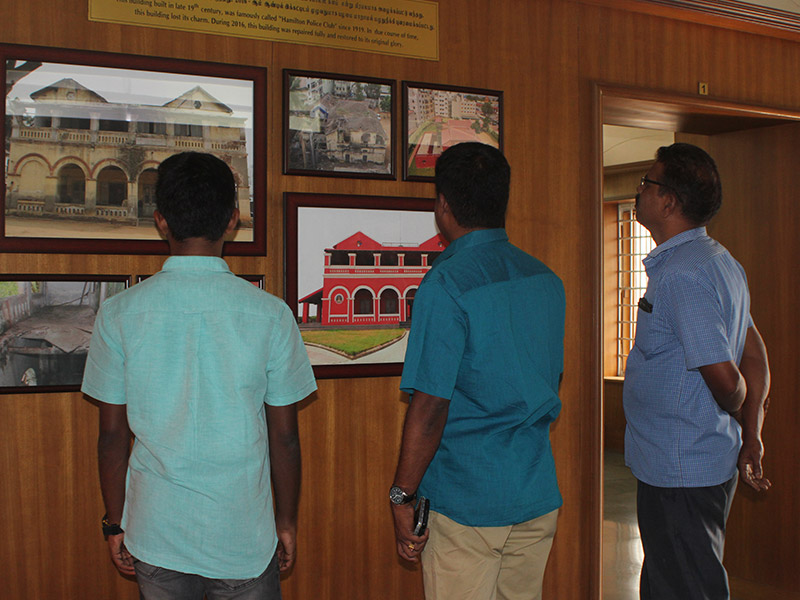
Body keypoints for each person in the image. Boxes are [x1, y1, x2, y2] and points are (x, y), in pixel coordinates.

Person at [82, 151, 317, 599]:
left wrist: (115, 521)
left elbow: (112, 436)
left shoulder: (118, 314)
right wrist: (286, 522)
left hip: (155, 532)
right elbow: (285, 437)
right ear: (232, 220)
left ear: (161, 221)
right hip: (243, 534)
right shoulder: (271, 315)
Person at [390, 142, 565, 600]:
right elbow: (548, 380)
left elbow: (430, 406)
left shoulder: (446, 283)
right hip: (535, 494)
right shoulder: (546, 280)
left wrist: (402, 496)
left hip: (465, 504)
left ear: (443, 206)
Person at [623, 142, 771, 600]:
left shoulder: (683, 274)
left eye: (646, 182)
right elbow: (755, 352)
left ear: (668, 201)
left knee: (686, 588)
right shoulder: (720, 261)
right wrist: (751, 432)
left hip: (681, 470)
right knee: (671, 582)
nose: (639, 191)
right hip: (693, 463)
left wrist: (738, 403)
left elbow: (727, 380)